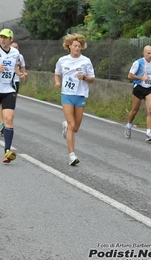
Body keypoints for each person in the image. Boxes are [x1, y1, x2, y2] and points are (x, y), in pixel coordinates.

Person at [0, 29, 27, 163]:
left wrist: (20, 74)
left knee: (8, 118)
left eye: (6, 37)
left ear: (11, 39)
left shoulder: (16, 53)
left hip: (9, 89)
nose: (3, 39)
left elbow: (15, 67)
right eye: (1, 37)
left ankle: (7, 151)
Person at [54, 33, 95, 166]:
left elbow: (92, 79)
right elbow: (57, 73)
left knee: (75, 128)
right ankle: (72, 155)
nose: (77, 48)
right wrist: (57, 82)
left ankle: (66, 126)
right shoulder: (62, 60)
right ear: (69, 46)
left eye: (79, 46)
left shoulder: (86, 61)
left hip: (80, 95)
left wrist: (83, 78)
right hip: (67, 95)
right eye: (75, 46)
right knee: (72, 125)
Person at [124, 45, 151, 142]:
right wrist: (141, 78)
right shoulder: (138, 63)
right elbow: (130, 76)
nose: (150, 55)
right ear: (144, 53)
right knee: (134, 110)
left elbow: (150, 73)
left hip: (149, 88)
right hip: (139, 88)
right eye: (148, 53)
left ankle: (148, 133)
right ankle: (128, 125)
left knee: (150, 110)